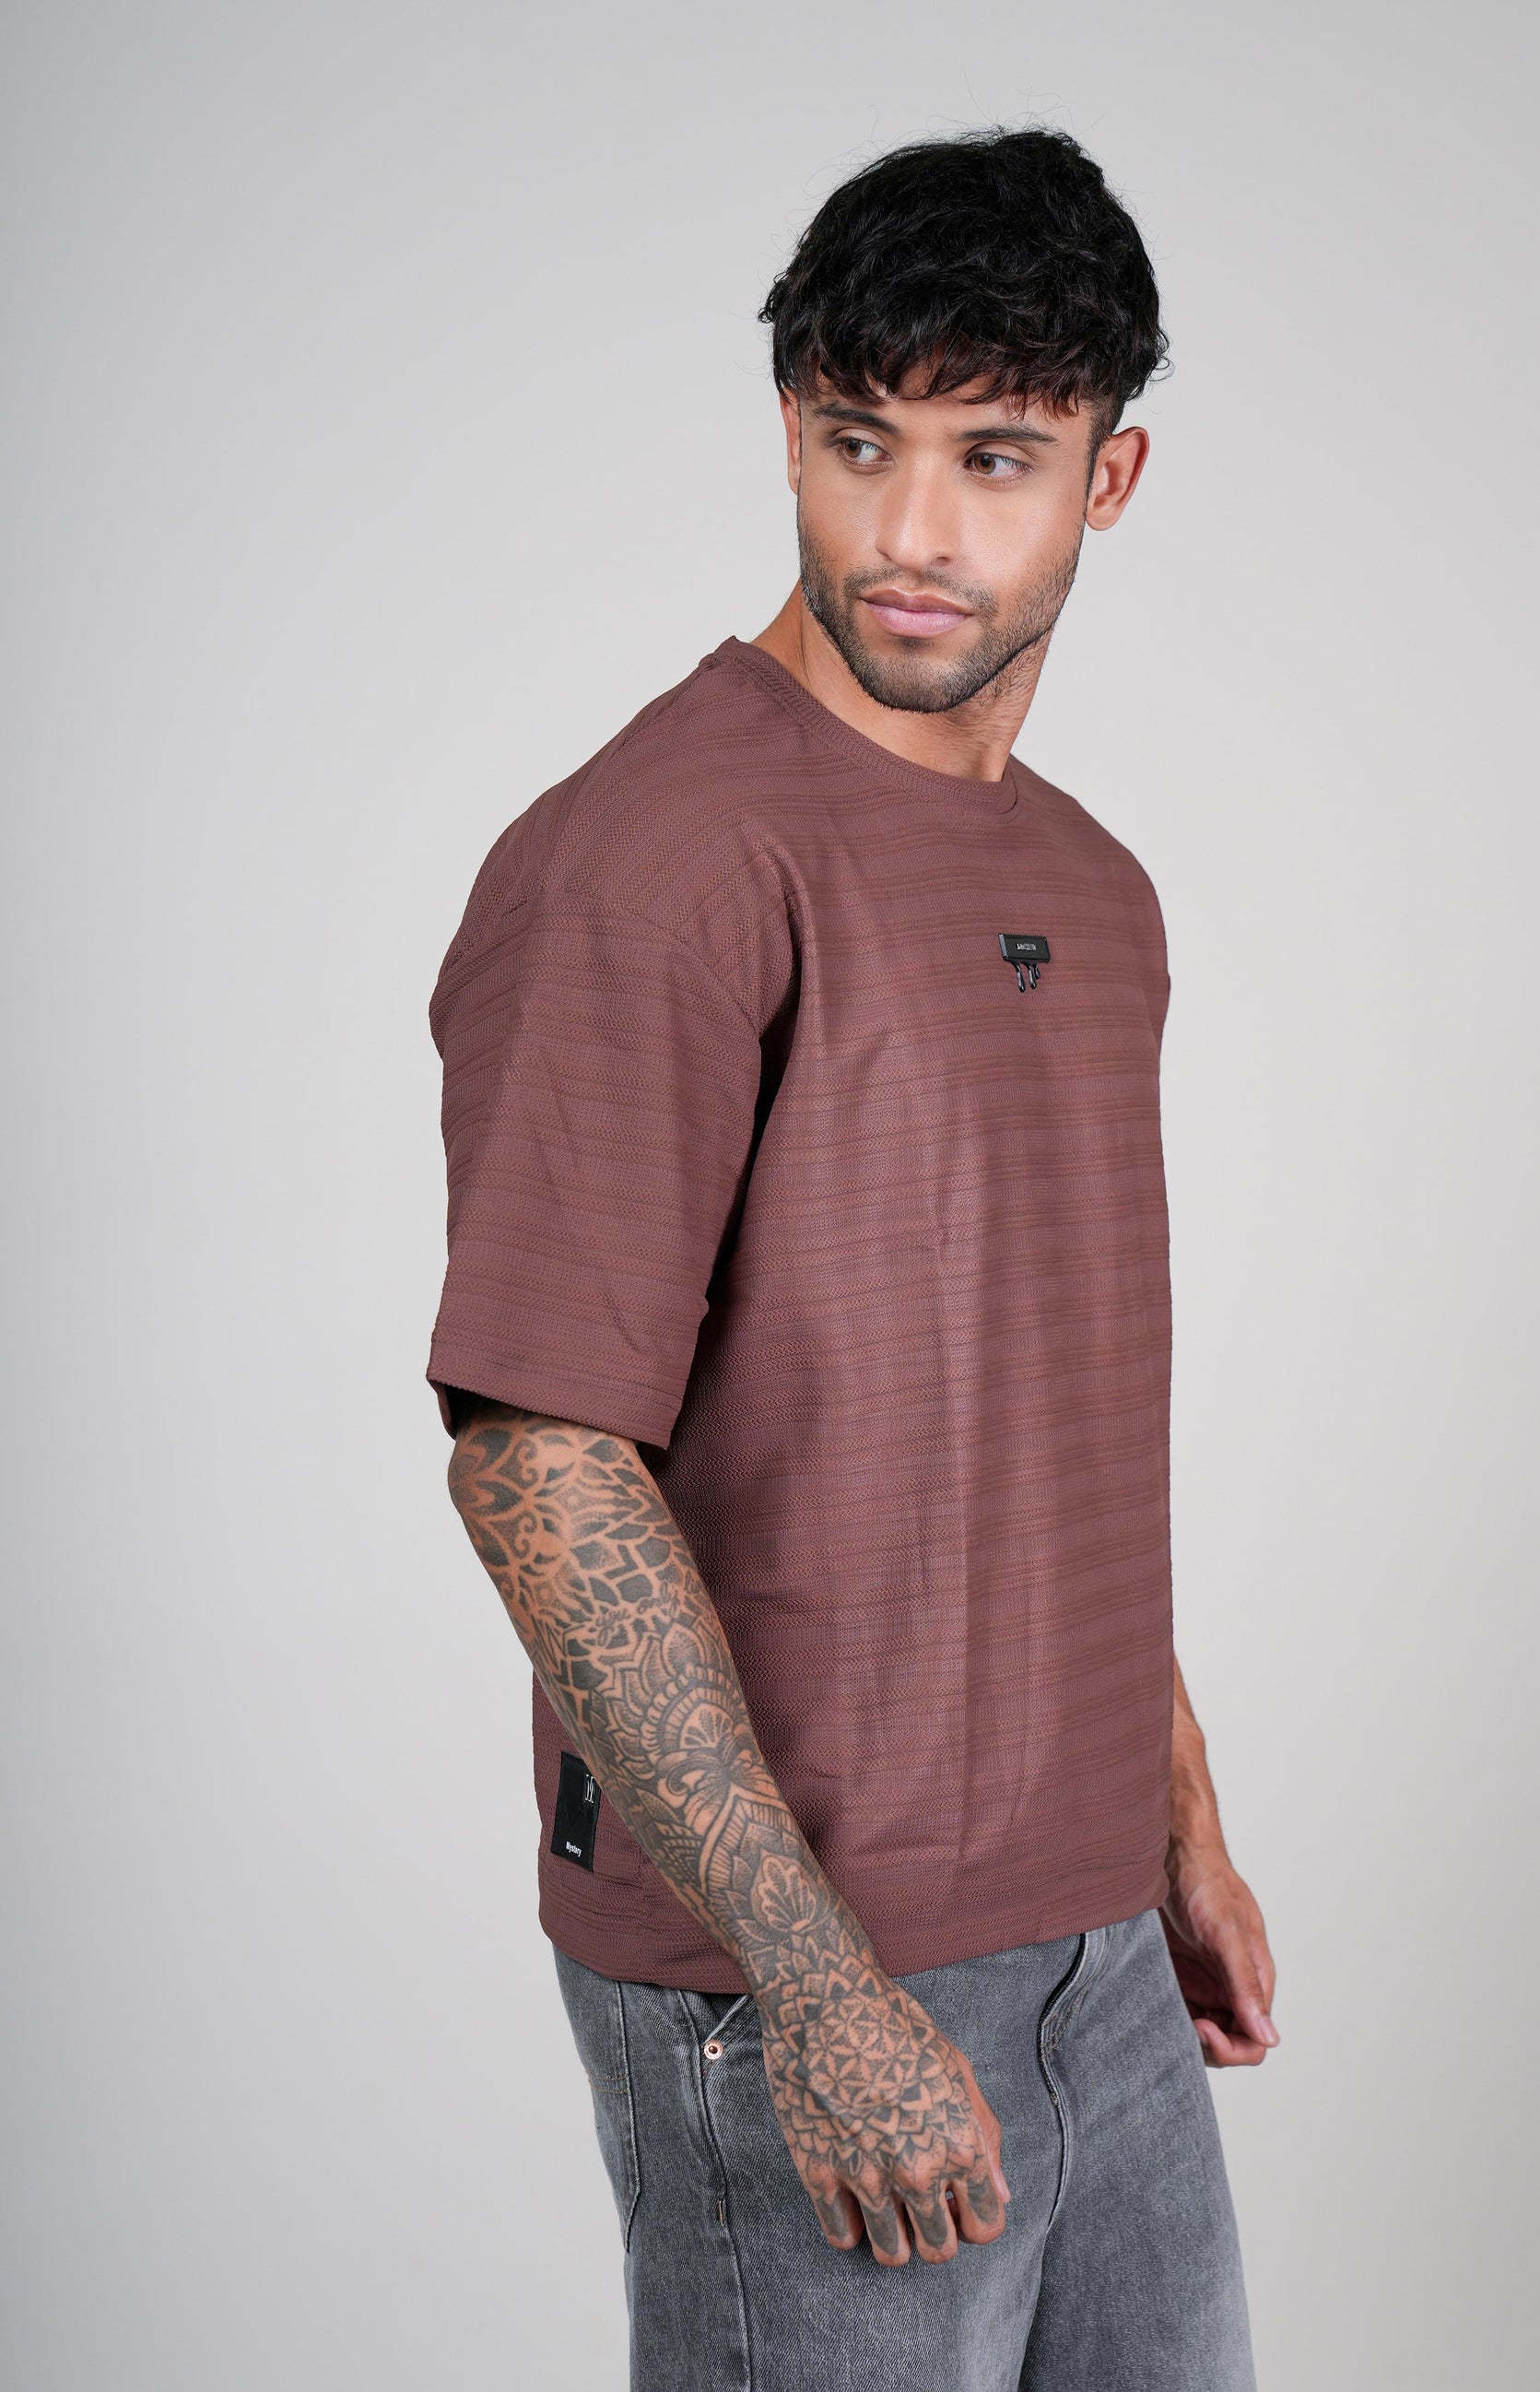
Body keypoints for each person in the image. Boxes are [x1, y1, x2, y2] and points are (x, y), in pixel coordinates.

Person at [428, 124, 1276, 2392]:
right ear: (787, 431)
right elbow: (536, 1453)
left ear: (1107, 477)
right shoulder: (656, 858)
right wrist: (811, 1984)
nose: (910, 530)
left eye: (993, 456)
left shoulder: (1091, 889)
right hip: (800, 1967)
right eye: (855, 440)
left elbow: (1041, 1408)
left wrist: (1172, 1816)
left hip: (1095, 1941)